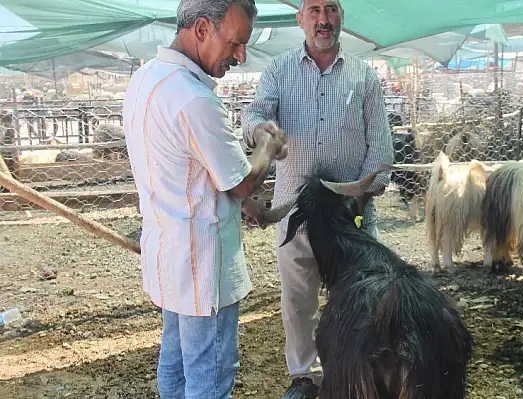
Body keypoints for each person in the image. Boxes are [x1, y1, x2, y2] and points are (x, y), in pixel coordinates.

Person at [122, 0, 287, 398]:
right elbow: (241, 184)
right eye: (235, 43)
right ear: (200, 29)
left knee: (176, 363)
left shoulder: (145, 79)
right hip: (202, 269)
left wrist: (242, 201)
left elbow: (193, 171)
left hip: (167, 257)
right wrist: (266, 145)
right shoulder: (194, 99)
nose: (241, 56)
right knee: (210, 376)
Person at [241, 0, 394, 397]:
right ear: (301, 19)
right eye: (314, 11)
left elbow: (380, 149)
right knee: (297, 299)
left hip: (350, 215)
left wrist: (361, 200)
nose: (323, 20)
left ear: (341, 17)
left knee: (359, 297)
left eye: (331, 10)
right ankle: (304, 376)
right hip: (297, 212)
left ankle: (354, 372)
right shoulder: (279, 69)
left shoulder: (364, 76)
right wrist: (263, 131)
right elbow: (255, 114)